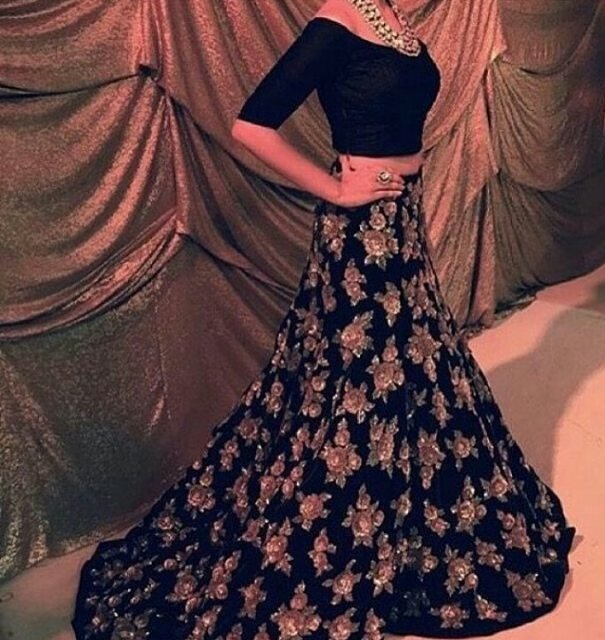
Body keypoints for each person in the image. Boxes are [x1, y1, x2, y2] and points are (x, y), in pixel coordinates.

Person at [72, 0, 576, 638]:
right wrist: (336, 187)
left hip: (400, 225)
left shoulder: (394, 19)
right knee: (363, 384)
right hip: (360, 238)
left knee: (411, 372)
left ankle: (409, 528)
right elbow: (252, 124)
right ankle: (355, 528)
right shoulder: (338, 20)